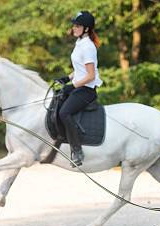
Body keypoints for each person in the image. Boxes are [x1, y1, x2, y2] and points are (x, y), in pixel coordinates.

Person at [56, 11, 103, 167]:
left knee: (65, 112)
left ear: (87, 29)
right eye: (74, 25)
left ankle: (77, 150)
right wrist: (67, 78)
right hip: (79, 86)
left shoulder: (88, 47)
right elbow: (80, 69)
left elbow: (90, 75)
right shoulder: (80, 43)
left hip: (86, 90)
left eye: (77, 26)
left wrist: (72, 86)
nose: (74, 28)